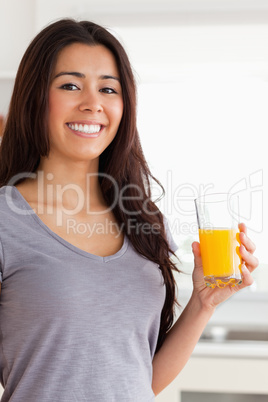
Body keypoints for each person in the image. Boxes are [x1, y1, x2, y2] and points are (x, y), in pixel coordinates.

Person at [0, 19, 258, 402]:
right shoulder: (7, 221)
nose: (93, 103)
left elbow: (139, 380)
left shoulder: (144, 221)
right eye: (70, 85)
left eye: (108, 88)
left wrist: (203, 304)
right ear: (35, 96)